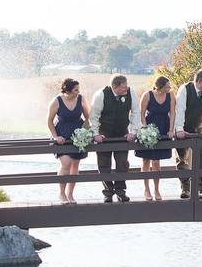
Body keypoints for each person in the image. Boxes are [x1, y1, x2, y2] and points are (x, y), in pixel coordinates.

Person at [89, 75, 142, 203]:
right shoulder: (101, 95)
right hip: (104, 134)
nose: (126, 89)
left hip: (122, 134)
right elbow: (94, 116)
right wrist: (95, 133)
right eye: (123, 87)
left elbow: (136, 112)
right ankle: (108, 192)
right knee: (104, 164)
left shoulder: (131, 93)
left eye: (126, 86)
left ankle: (120, 191)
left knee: (122, 163)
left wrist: (133, 132)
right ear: (114, 86)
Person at [174, 69, 202, 200]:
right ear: (199, 81)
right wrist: (179, 129)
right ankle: (185, 187)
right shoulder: (184, 89)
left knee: (200, 159)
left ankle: (200, 189)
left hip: (200, 130)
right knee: (182, 158)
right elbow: (180, 109)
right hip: (184, 129)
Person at [47, 78, 91, 204]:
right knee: (66, 163)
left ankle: (70, 194)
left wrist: (84, 133)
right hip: (62, 134)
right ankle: (61, 193)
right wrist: (55, 136)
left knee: (75, 165)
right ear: (68, 90)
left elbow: (88, 117)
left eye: (78, 90)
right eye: (75, 90)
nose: (78, 92)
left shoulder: (81, 99)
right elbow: (49, 120)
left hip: (78, 135)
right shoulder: (57, 101)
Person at [135, 76, 176, 201]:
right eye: (168, 86)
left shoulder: (170, 95)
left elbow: (173, 113)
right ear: (161, 86)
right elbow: (141, 113)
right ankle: (146, 189)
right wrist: (145, 130)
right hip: (149, 127)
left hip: (163, 127)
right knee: (146, 160)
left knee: (157, 161)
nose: (170, 88)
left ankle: (157, 189)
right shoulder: (147, 95)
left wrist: (171, 130)